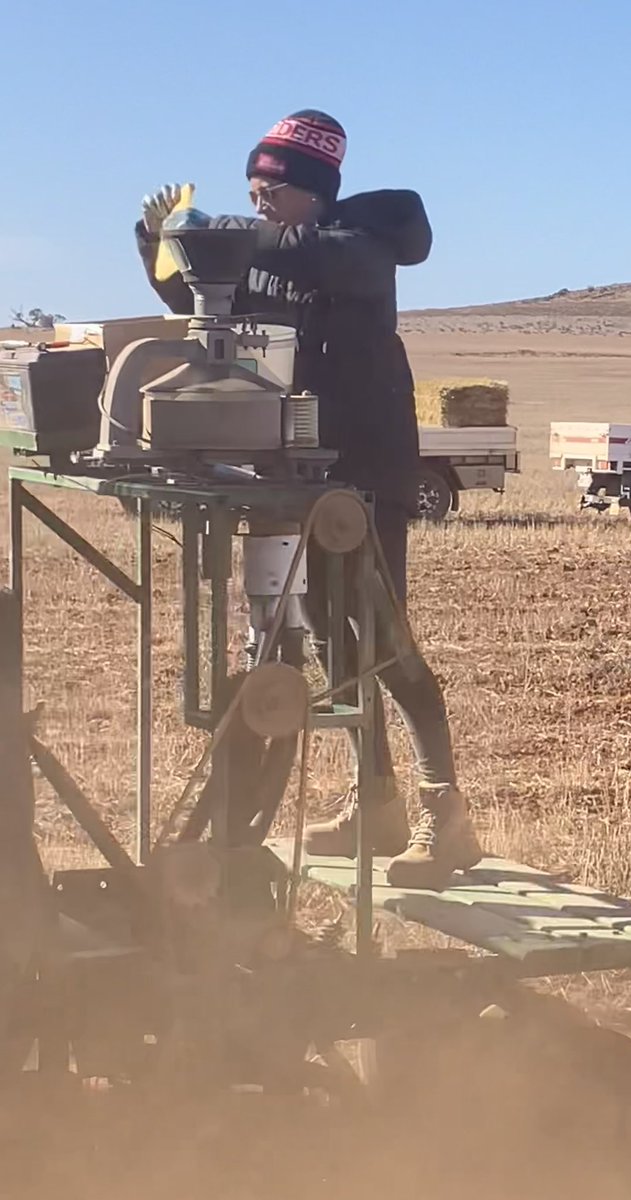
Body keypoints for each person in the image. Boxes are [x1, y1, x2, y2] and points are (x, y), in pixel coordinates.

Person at [136, 109, 481, 890]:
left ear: (315, 191)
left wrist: (220, 229)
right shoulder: (278, 248)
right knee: (328, 637)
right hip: (300, 470)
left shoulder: (357, 247)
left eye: (272, 188)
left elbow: (293, 252)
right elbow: (204, 290)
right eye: (252, 187)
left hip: (368, 470)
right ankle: (376, 802)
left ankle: (444, 813)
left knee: (385, 638)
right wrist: (160, 245)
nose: (258, 200)